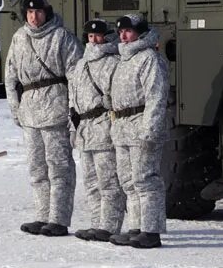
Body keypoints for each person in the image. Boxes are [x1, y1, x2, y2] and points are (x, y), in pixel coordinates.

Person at [5, 0, 83, 237]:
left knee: (59, 167)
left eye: (38, 12)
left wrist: (74, 111)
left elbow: (77, 77)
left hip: (56, 109)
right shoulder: (19, 38)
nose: (33, 17)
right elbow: (10, 75)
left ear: (46, 12)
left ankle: (58, 219)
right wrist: (15, 107)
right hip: (30, 111)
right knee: (37, 168)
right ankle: (42, 215)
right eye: (29, 13)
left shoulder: (62, 38)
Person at [107, 14, 168, 249]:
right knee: (128, 181)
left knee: (146, 180)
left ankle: (151, 231)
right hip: (122, 128)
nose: (123, 35)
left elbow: (156, 96)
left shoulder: (149, 58)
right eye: (120, 31)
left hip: (141, 125)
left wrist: (150, 129)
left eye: (128, 31)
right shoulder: (123, 60)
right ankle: (136, 227)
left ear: (140, 33)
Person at [69, 19, 126, 242]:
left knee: (108, 180)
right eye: (91, 37)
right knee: (91, 182)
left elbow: (118, 95)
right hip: (84, 128)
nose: (94, 40)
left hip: (103, 125)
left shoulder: (113, 62)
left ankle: (109, 225)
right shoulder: (81, 64)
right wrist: (72, 126)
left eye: (98, 36)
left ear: (107, 36)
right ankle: (96, 222)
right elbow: (72, 97)